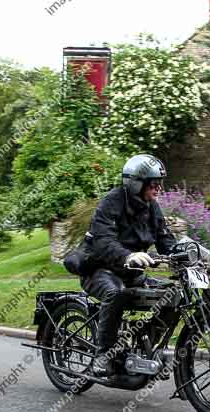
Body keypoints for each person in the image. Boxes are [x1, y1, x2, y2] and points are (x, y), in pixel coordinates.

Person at [81, 154, 177, 376]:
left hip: (131, 273)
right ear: (136, 182)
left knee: (173, 294)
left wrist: (190, 251)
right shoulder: (111, 202)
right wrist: (127, 256)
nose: (158, 189)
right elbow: (103, 241)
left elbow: (165, 240)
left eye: (160, 184)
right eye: (154, 183)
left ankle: (147, 346)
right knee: (116, 293)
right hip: (99, 269)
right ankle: (103, 356)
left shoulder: (151, 206)